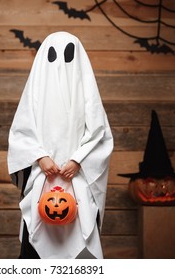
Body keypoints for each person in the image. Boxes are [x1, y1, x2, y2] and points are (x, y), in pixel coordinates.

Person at [7, 31, 113, 259]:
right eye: (53, 55)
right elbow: (21, 132)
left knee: (80, 244)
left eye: (68, 55)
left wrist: (77, 160)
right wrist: (40, 157)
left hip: (78, 181)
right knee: (35, 243)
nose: (60, 65)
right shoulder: (35, 91)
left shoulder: (87, 94)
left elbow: (100, 135)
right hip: (41, 180)